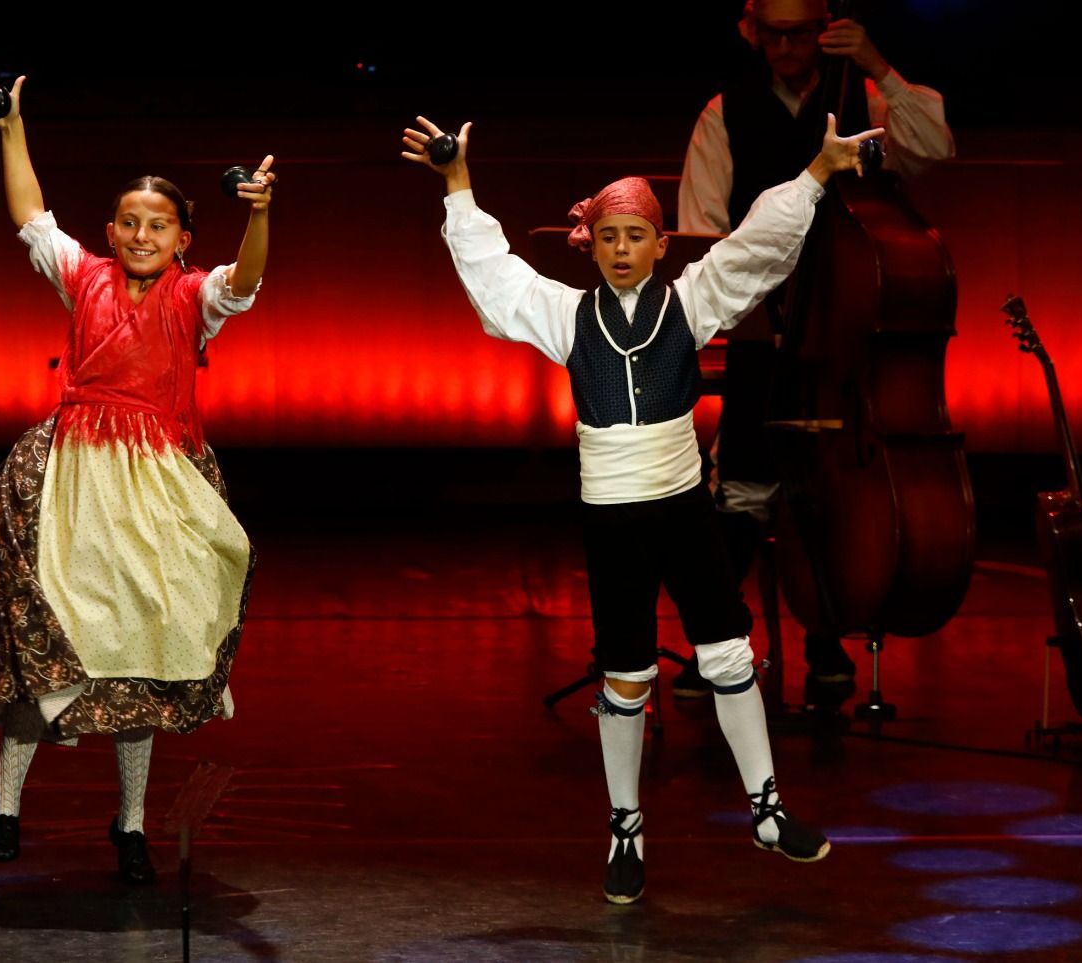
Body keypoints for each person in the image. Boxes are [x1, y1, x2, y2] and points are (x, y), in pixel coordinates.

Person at [403, 111, 881, 903]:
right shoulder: (569, 317)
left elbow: (758, 246)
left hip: (682, 505)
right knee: (625, 673)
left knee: (727, 653)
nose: (623, 249)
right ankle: (626, 825)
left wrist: (820, 173)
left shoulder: (690, 305)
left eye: (638, 236)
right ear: (590, 243)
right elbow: (495, 276)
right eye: (611, 236)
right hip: (612, 516)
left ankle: (766, 809)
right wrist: (457, 184)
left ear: (662, 246)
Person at [0, 78, 273, 883]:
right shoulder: (84, 277)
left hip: (153, 493)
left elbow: (245, 280)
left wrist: (258, 213)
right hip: (74, 485)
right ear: (111, 230)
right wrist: (11, 127)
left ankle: (133, 821)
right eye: (130, 223)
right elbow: (30, 214)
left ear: (184, 237)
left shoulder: (194, 298)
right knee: (51, 646)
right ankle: (6, 805)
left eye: (160, 225)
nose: (143, 235)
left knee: (140, 652)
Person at [672, 0, 955, 702]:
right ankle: (720, 642)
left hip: (852, 349)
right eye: (775, 32)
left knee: (833, 496)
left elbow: (936, 148)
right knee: (743, 490)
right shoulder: (723, 113)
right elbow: (703, 231)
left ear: (827, 29)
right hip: (765, 337)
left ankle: (830, 636)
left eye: (802, 31)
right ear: (752, 32)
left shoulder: (862, 99)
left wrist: (877, 66)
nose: (789, 46)